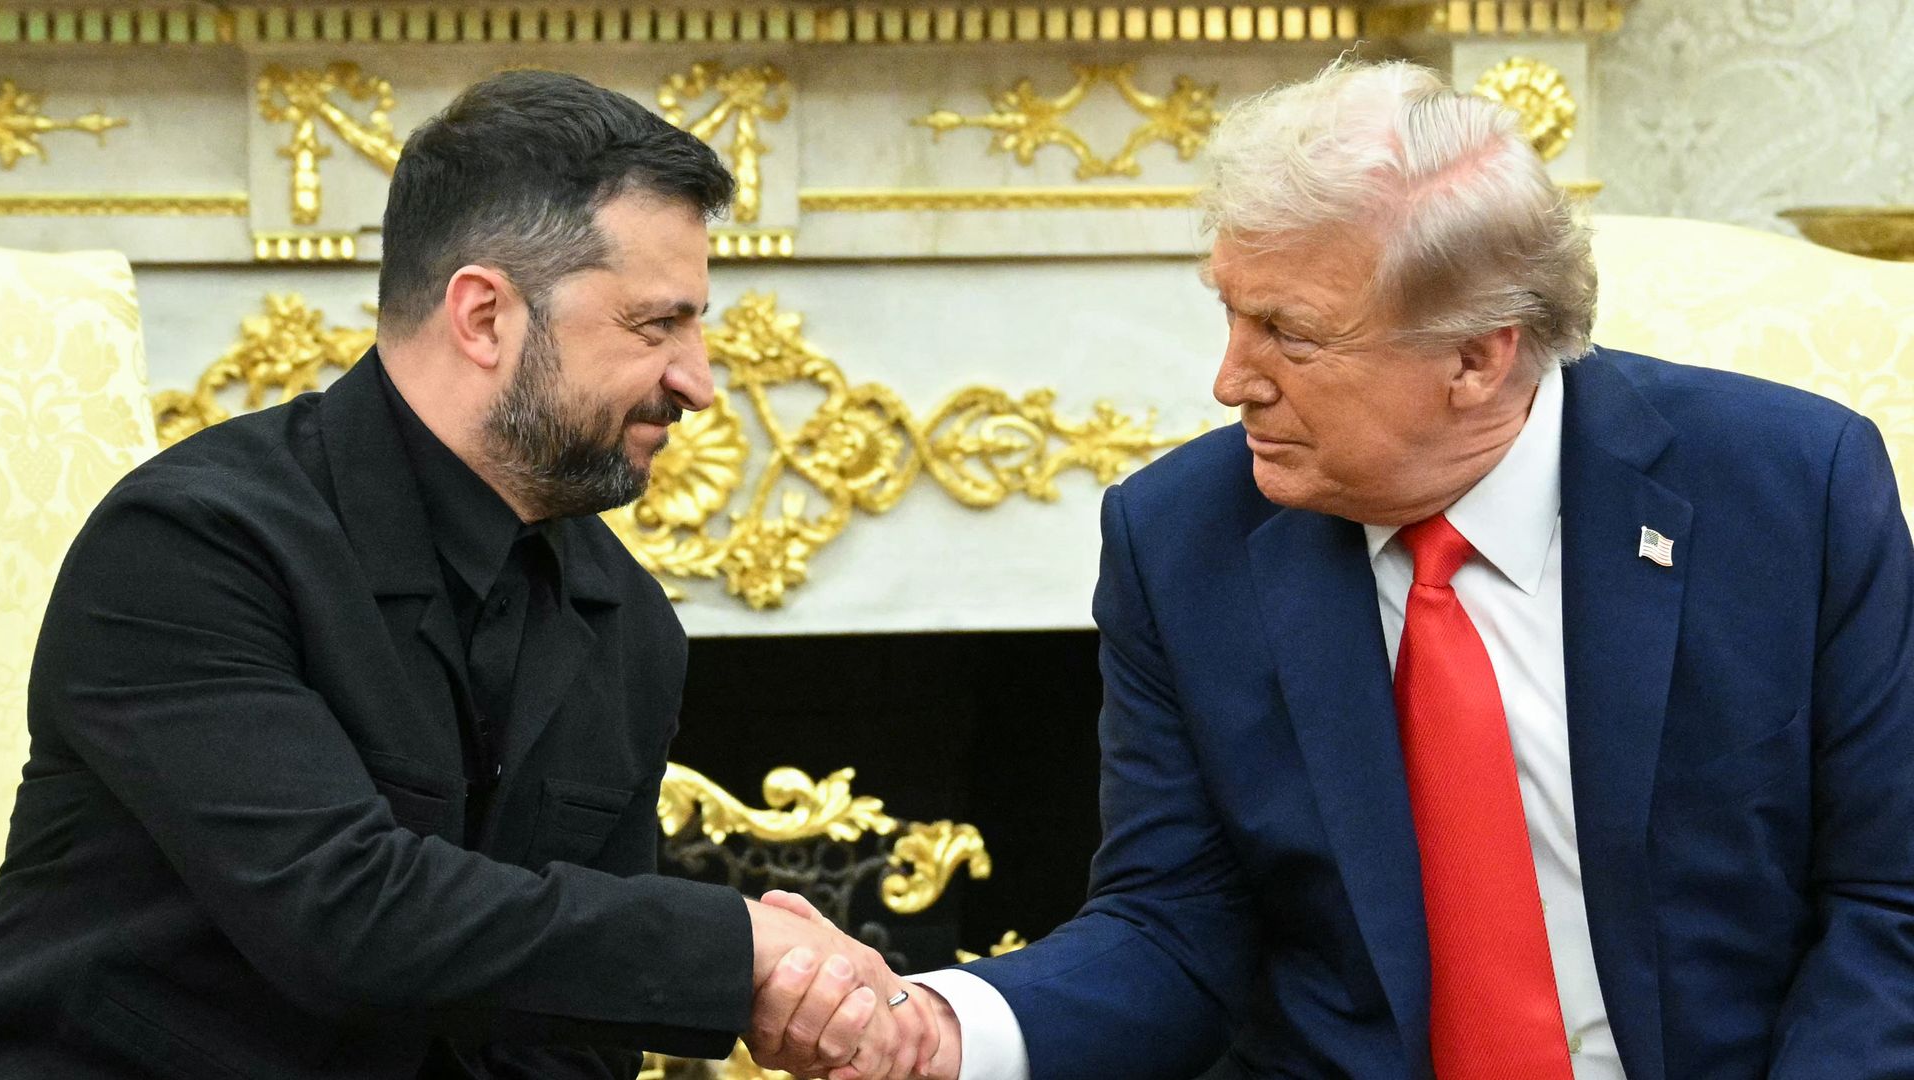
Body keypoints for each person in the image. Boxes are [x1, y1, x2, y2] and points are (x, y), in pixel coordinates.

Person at [758, 57, 1914, 1079]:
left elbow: (1886, 902)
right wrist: (943, 1027)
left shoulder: (1787, 492)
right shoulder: (1181, 539)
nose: (1230, 379)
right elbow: (1172, 928)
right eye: (1229, 315)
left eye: (1289, 334)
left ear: (1477, 354)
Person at [0, 70, 934, 1080]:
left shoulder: (629, 622)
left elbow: (573, 1029)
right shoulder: (193, 543)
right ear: (484, 316)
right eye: (655, 326)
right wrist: (744, 951)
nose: (698, 380)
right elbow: (347, 917)